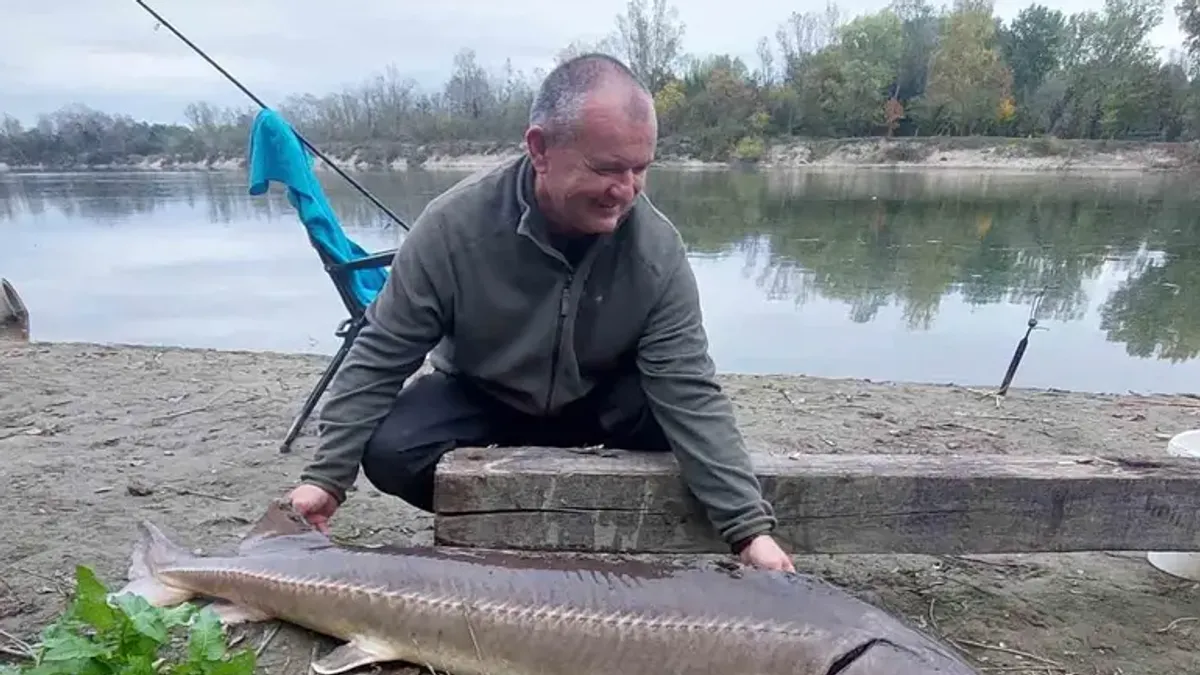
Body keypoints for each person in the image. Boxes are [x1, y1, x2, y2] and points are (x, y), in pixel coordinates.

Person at [286, 53, 795, 573]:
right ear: (540, 149)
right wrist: (326, 478)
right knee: (393, 449)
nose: (625, 192)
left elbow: (689, 386)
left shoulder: (657, 249)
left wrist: (749, 532)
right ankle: (502, 521)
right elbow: (380, 354)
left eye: (639, 168)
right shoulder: (451, 228)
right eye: (605, 168)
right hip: (486, 397)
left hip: (598, 401)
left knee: (677, 422)